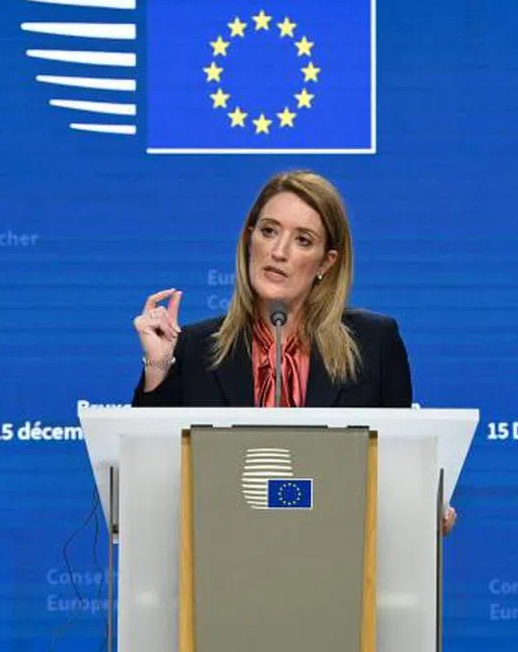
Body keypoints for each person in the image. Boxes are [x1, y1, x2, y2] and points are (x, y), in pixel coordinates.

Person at [131, 170, 456, 534]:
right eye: (269, 231)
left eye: (303, 240)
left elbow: (399, 465)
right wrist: (159, 364)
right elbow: (149, 482)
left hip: (336, 562)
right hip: (220, 561)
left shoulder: (374, 344)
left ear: (326, 262)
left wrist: (423, 501)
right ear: (248, 238)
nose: (279, 252)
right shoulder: (193, 346)